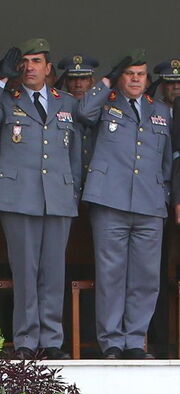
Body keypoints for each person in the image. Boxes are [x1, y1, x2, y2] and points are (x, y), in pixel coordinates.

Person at [0, 38, 82, 360]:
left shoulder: (67, 103)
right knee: (24, 271)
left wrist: (71, 190)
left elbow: (74, 153)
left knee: (53, 271)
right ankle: (25, 340)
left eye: (37, 61)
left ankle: (51, 340)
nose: (31, 67)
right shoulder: (7, 99)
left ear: (49, 69)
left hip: (57, 196)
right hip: (18, 197)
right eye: (26, 61)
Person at [76, 52, 172, 360]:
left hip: (149, 203)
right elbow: (83, 111)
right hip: (110, 201)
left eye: (140, 74)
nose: (134, 79)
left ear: (148, 80)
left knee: (145, 277)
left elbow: (167, 159)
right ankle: (112, 341)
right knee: (111, 275)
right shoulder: (106, 103)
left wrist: (164, 194)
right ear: (120, 76)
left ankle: (135, 340)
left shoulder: (161, 111)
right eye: (129, 73)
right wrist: (105, 80)